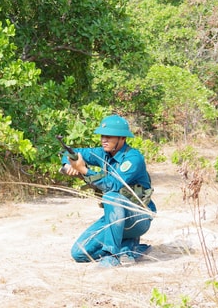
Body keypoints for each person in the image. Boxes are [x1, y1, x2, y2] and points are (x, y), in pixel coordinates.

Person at [61, 115, 156, 268]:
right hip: (114, 218)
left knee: (112, 196)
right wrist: (68, 165)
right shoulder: (103, 153)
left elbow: (113, 185)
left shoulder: (133, 158)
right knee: (78, 253)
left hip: (138, 218)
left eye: (109, 136)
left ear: (122, 138)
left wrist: (84, 171)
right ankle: (129, 247)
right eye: (102, 136)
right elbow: (72, 153)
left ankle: (112, 255)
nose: (104, 139)